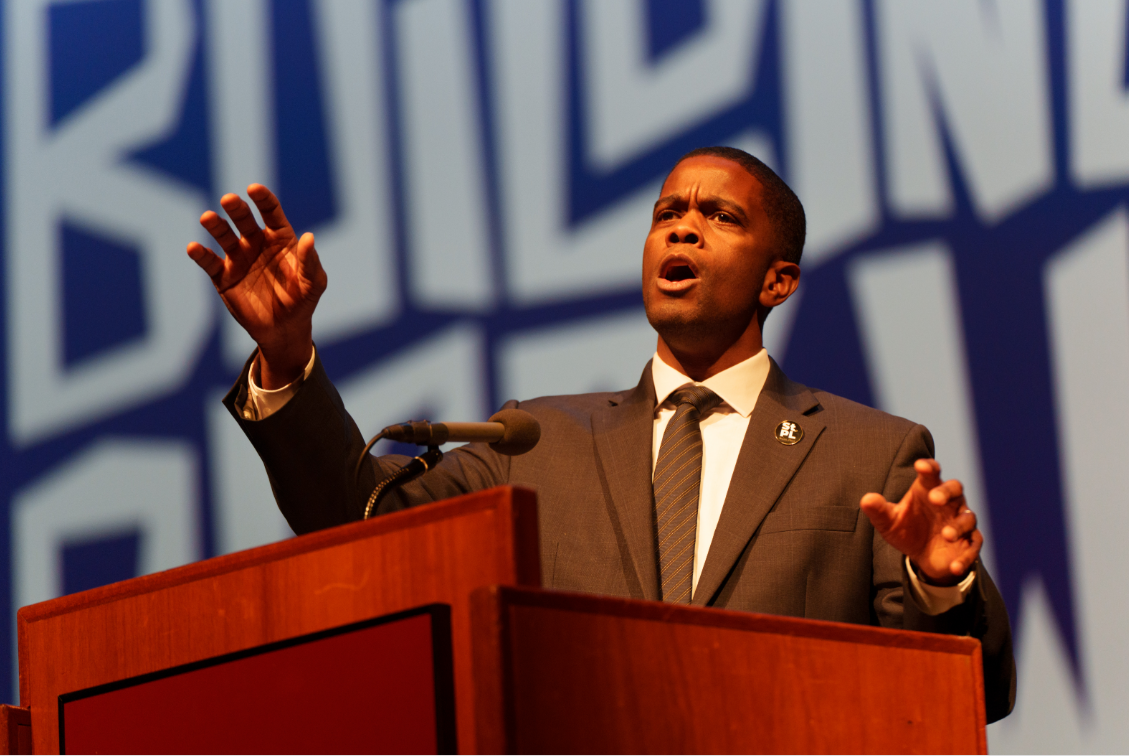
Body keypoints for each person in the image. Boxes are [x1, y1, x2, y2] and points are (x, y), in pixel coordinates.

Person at [188, 146, 1015, 721]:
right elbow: (352, 518)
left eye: (718, 216)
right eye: (667, 212)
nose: (681, 228)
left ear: (779, 279)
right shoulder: (535, 440)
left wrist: (940, 587)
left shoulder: (868, 453)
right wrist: (287, 355)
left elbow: (971, 695)